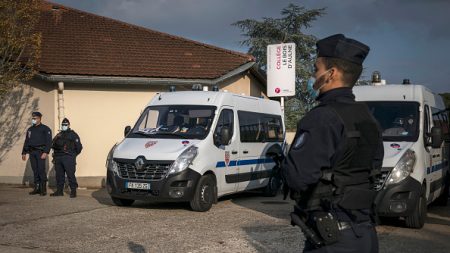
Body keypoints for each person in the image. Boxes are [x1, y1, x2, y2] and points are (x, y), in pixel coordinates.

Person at [281, 34, 384, 253]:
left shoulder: (322, 118)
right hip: (365, 235)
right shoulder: (368, 117)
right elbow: (373, 167)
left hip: (332, 237)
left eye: (316, 69)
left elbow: (297, 177)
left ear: (331, 74)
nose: (313, 76)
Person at [50, 118, 83, 198]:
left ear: (68, 125)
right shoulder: (59, 135)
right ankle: (59, 191)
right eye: (63, 124)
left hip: (68, 157)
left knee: (70, 174)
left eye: (65, 125)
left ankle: (73, 191)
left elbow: (79, 147)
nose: (64, 126)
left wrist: (72, 155)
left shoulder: (73, 134)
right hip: (58, 157)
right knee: (59, 175)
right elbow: (53, 144)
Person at [22, 111, 52, 196]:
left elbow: (49, 141)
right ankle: (37, 188)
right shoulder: (30, 129)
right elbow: (27, 141)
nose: (33, 120)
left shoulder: (45, 129)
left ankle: (43, 189)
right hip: (32, 152)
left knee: (41, 170)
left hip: (40, 152)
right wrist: (24, 152)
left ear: (39, 118)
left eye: (35, 118)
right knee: (35, 170)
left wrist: (46, 152)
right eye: (32, 118)